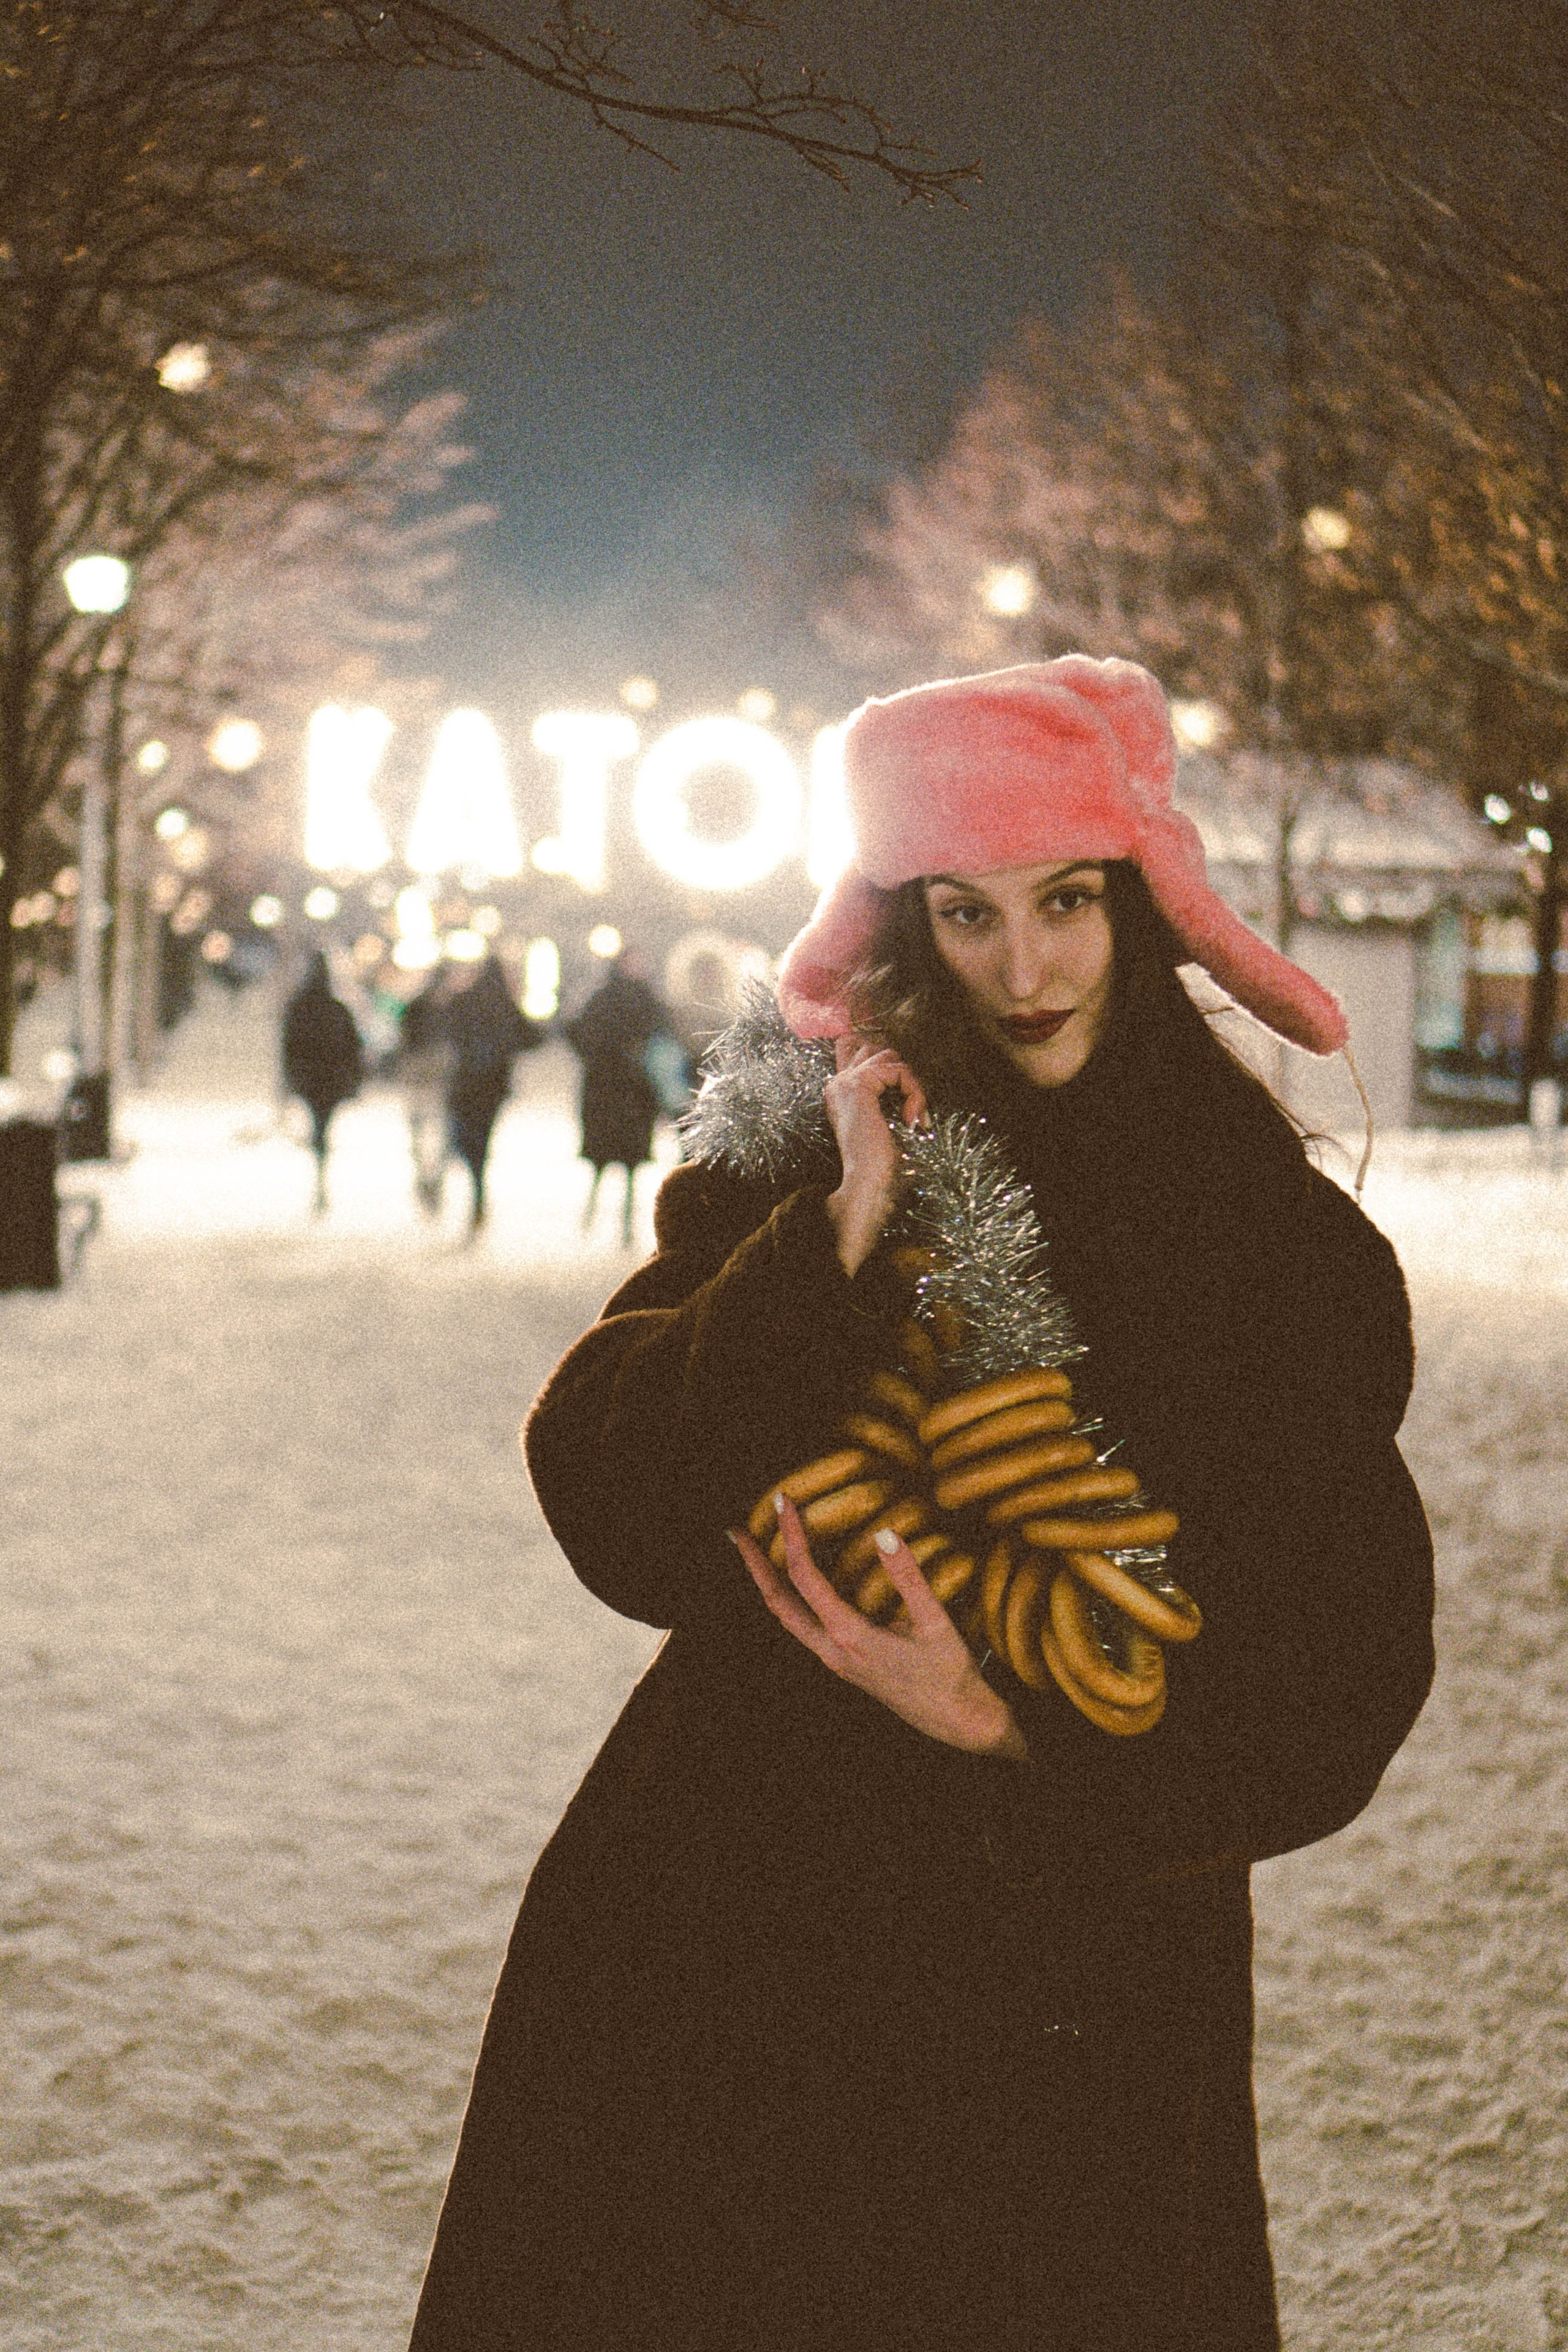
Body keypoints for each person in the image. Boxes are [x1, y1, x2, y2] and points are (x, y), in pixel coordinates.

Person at [408, 658, 1434, 2351]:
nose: (1022, 970)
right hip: (718, 1927)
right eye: (966, 912)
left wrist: (1024, 1721)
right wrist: (825, 1248)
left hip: (1060, 1989)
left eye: (1067, 902)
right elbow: (613, 1503)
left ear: (1141, 904)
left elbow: (1342, 1661)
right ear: (903, 916)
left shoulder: (1261, 1237)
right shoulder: (800, 1150)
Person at [564, 949, 683, 1246]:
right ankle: (595, 1216)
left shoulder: (621, 998)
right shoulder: (622, 999)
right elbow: (579, 1034)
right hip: (616, 1091)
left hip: (627, 1093)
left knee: (625, 1161)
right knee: (609, 1158)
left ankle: (620, 1222)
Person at [442, 953, 540, 1233]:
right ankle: (478, 1189)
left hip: (466, 1083)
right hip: (493, 1086)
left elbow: (447, 1028)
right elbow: (532, 1038)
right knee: (482, 1138)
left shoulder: (464, 1000)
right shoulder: (505, 1004)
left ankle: (474, 1184)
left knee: (465, 1137)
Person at [280, 950, 362, 1214]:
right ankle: (320, 1173)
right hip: (330, 1078)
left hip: (311, 1077)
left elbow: (289, 1046)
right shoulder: (337, 1008)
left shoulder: (299, 1008)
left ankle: (320, 1174)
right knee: (322, 1125)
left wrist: (289, 1079)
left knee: (319, 1125)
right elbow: (353, 1047)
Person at [397, 966, 454, 1213]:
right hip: (434, 1075)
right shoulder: (448, 1009)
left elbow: (403, 1039)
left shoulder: (416, 1006)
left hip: (425, 1074)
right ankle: (431, 1178)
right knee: (434, 1131)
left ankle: (428, 1177)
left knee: (426, 1130)